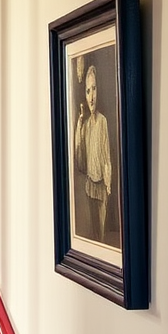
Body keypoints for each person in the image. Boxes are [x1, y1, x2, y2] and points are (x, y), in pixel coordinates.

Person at [74, 62, 112, 242]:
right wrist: (80, 123)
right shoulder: (86, 124)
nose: (91, 96)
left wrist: (108, 182)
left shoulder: (103, 121)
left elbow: (106, 156)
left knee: (103, 234)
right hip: (90, 185)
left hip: (102, 186)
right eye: (88, 91)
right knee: (95, 234)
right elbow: (80, 158)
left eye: (94, 89)